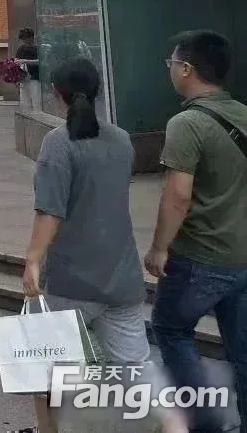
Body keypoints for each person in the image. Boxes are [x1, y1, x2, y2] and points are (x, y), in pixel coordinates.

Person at [22, 57, 157, 433]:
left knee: (51, 371)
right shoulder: (122, 139)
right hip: (122, 278)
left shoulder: (57, 143)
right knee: (135, 371)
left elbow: (50, 211)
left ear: (56, 94)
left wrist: (33, 260)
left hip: (70, 281)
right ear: (97, 91)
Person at [147, 30, 247, 433]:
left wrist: (159, 248)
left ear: (186, 68)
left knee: (171, 330)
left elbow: (178, 195)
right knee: (242, 351)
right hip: (243, 257)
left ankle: (204, 423)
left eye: (171, 63)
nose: (170, 70)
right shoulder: (242, 113)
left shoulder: (186, 123)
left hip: (201, 258)